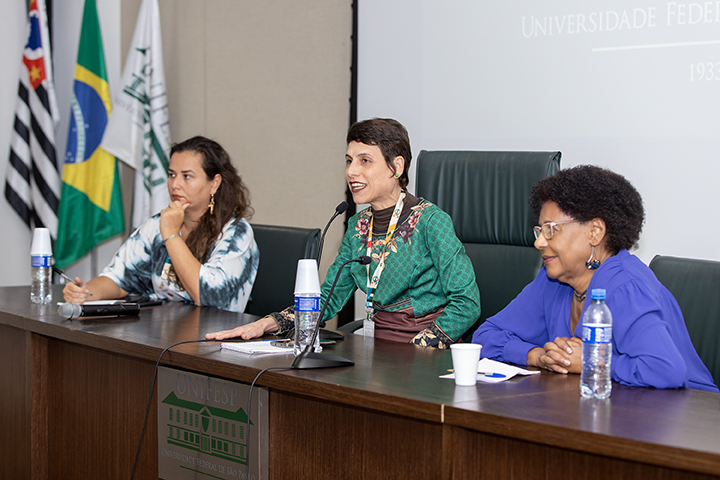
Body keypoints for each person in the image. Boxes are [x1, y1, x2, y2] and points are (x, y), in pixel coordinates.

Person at [207, 118, 480, 348]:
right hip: (375, 346)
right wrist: (273, 322)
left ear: (396, 167)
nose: (351, 171)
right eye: (349, 160)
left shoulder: (432, 221)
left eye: (365, 161)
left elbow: (467, 303)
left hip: (421, 351)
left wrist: (422, 347)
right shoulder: (358, 226)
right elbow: (330, 297)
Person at [472, 165, 718, 392]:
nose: (539, 242)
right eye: (539, 230)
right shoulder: (553, 281)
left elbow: (666, 370)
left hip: (686, 419)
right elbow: (486, 336)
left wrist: (592, 360)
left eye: (551, 229)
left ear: (595, 232)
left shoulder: (625, 285)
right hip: (603, 409)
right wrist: (537, 356)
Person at [62, 136, 259, 313]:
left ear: (214, 183)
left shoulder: (235, 233)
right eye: (172, 174)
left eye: (187, 176)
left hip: (214, 341)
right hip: (163, 335)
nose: (175, 184)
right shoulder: (158, 224)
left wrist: (172, 236)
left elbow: (210, 297)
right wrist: (85, 292)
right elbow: (118, 278)